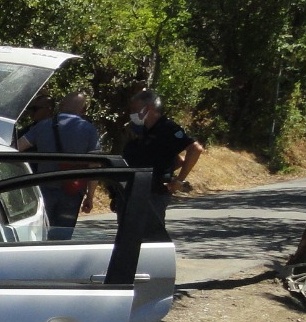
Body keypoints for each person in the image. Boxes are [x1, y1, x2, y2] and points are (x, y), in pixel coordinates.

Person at [16, 90, 101, 239]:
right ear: (83, 109)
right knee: (62, 236)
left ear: (61, 106)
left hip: (44, 188)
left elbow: (17, 148)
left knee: (41, 234)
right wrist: (90, 196)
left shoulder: (42, 126)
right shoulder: (89, 130)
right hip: (72, 190)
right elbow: (95, 165)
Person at [122, 90, 203, 221]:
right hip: (133, 190)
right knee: (128, 235)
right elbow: (178, 160)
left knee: (150, 236)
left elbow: (195, 149)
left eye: (134, 109)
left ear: (147, 109)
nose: (132, 114)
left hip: (154, 193)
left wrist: (179, 180)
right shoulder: (141, 129)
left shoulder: (168, 128)